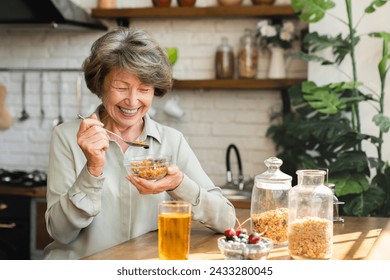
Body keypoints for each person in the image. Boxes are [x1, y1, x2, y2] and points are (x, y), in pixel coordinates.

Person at [44, 27, 236, 260]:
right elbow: (60, 232)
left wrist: (179, 184)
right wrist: (92, 170)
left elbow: (227, 220)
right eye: (121, 87)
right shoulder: (67, 137)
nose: (133, 101)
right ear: (100, 85)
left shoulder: (171, 141)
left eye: (144, 89)